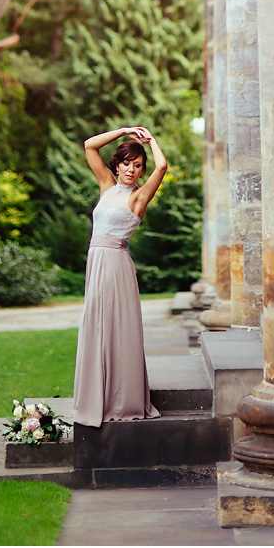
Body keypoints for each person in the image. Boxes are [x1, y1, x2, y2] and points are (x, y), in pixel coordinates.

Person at [72, 124, 167, 426]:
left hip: (115, 264)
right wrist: (124, 130)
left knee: (116, 328)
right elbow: (89, 145)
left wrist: (149, 139)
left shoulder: (139, 198)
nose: (131, 169)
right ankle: (95, 396)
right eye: (126, 163)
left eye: (138, 166)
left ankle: (121, 398)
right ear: (117, 164)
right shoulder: (106, 186)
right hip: (96, 261)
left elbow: (162, 165)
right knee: (96, 325)